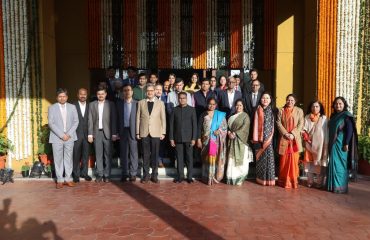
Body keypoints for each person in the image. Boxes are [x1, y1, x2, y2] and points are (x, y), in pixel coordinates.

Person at [48, 88, 79, 189]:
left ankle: (68, 179)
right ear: (57, 97)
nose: (62, 98)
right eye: (60, 96)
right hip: (57, 137)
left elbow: (76, 122)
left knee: (69, 159)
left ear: (67, 97)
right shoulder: (52, 108)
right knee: (58, 159)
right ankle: (60, 180)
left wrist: (68, 134)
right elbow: (51, 123)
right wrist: (62, 135)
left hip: (69, 137)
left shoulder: (72, 107)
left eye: (64, 96)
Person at [327, 97, 358, 193]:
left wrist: (346, 143)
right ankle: (332, 186)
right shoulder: (333, 116)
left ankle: (340, 187)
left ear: (344, 105)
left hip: (341, 143)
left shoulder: (346, 116)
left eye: (340, 103)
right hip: (332, 144)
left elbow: (349, 130)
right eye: (336, 103)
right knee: (333, 164)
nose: (338, 105)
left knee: (340, 166)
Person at [136, 84, 166, 183]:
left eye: (151, 90)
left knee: (155, 154)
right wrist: (137, 132)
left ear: (154, 91)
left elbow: (163, 119)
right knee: (145, 155)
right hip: (144, 132)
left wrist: (163, 132)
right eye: (148, 91)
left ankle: (154, 175)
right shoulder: (141, 103)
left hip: (156, 132)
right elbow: (138, 118)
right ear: (146, 92)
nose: (150, 92)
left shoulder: (160, 103)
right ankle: (146, 175)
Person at [88, 86, 118, 183]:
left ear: (105, 94)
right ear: (97, 95)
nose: (100, 95)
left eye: (102, 94)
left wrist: (114, 133)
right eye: (99, 94)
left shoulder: (111, 104)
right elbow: (90, 120)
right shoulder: (92, 105)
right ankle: (99, 174)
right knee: (98, 154)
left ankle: (107, 175)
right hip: (97, 133)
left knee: (108, 155)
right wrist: (90, 134)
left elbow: (114, 119)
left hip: (108, 133)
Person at [197, 97, 227, 185]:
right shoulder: (203, 114)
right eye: (210, 104)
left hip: (216, 141)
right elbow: (199, 128)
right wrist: (198, 140)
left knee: (215, 158)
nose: (211, 106)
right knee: (207, 159)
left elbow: (225, 128)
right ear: (207, 104)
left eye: (213, 104)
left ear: (216, 105)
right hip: (206, 141)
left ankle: (215, 177)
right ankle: (207, 177)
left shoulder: (220, 115)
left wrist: (219, 131)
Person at [276, 94, 304, 189]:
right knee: (284, 161)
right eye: (288, 100)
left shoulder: (299, 111)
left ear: (295, 101)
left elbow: (301, 123)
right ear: (286, 100)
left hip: (294, 139)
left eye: (292, 100)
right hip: (285, 139)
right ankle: (284, 181)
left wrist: (293, 134)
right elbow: (278, 123)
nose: (290, 102)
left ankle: (293, 181)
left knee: (294, 161)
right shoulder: (281, 110)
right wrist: (285, 134)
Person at [169, 92, 197, 183]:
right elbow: (171, 125)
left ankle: (189, 177)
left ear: (187, 99)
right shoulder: (174, 110)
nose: (182, 100)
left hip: (189, 138)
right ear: (178, 99)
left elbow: (194, 125)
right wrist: (171, 138)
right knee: (179, 158)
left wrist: (194, 138)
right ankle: (180, 176)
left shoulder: (192, 109)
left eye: (184, 98)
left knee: (189, 158)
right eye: (180, 98)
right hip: (177, 138)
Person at [225, 99, 254, 185]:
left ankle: (239, 179)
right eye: (237, 105)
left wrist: (235, 133)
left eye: (240, 105)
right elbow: (228, 127)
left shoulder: (245, 116)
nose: (238, 107)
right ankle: (230, 178)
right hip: (231, 140)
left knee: (240, 160)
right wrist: (229, 132)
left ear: (243, 106)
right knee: (231, 160)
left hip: (240, 142)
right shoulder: (231, 117)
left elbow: (245, 128)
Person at [116, 84, 139, 182]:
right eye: (125, 90)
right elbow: (116, 119)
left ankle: (133, 173)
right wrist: (116, 132)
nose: (127, 92)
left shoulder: (137, 103)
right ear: (122, 92)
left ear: (132, 92)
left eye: (128, 90)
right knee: (124, 152)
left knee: (134, 152)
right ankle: (124, 173)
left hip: (133, 130)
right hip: (123, 130)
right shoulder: (119, 104)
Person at [252, 92, 276, 186]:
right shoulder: (257, 110)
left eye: (267, 98)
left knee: (269, 160)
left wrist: (268, 139)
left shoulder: (274, 110)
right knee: (260, 161)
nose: (265, 100)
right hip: (258, 139)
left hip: (269, 140)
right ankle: (261, 179)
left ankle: (269, 180)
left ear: (270, 100)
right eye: (263, 98)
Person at [72, 88, 92, 183]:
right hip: (76, 134)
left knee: (85, 155)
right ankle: (76, 174)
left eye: (84, 94)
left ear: (87, 95)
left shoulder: (90, 106)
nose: (83, 96)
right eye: (81, 94)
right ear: (77, 95)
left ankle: (84, 173)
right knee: (76, 155)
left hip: (87, 135)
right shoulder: (73, 106)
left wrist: (91, 134)